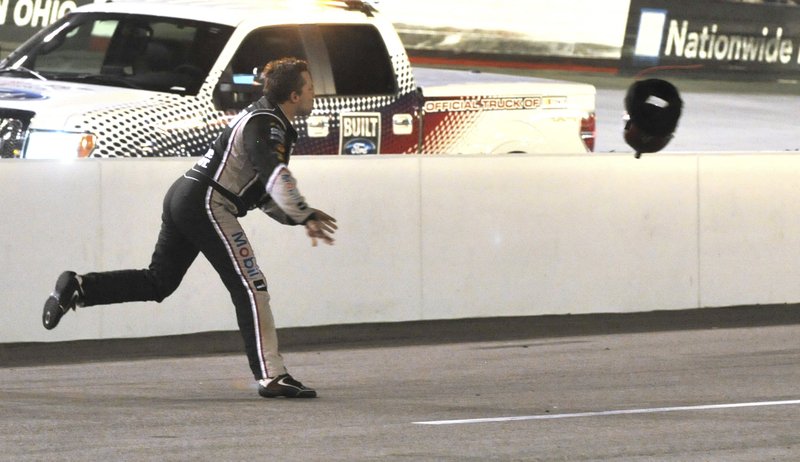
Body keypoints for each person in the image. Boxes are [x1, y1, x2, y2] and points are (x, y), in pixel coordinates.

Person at [42, 57, 336, 399]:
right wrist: (302, 213)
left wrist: (300, 215)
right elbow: (272, 172)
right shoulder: (267, 123)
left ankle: (79, 287)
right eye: (311, 87)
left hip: (187, 195)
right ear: (294, 95)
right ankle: (272, 376)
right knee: (251, 286)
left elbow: (260, 192)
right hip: (207, 202)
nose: (315, 94)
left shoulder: (264, 118)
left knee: (159, 282)